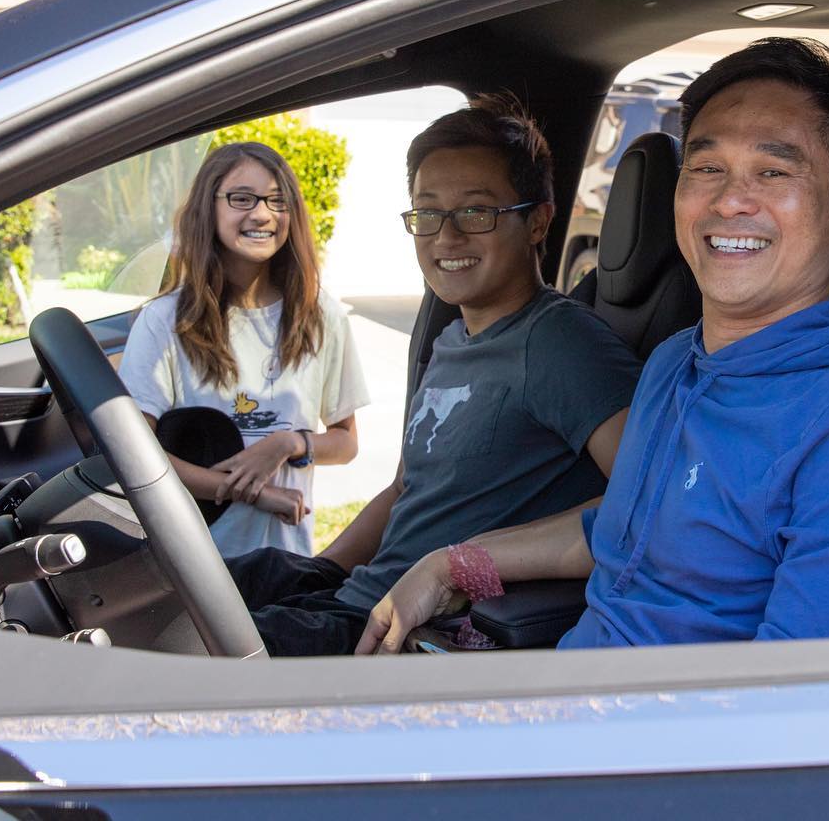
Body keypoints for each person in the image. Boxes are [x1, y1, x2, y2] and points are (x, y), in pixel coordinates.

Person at [357, 37, 829, 654]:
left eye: (774, 171)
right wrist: (451, 566)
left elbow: (801, 697)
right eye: (707, 168)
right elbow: (626, 526)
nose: (729, 200)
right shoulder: (678, 360)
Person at [225, 99, 643, 656]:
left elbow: (649, 506)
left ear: (538, 221)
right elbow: (406, 488)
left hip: (416, 634)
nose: (446, 237)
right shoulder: (453, 338)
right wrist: (321, 572)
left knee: (185, 651)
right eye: (428, 214)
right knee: (176, 585)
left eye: (476, 212)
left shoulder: (562, 344)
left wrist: (464, 567)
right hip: (359, 598)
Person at [119, 141, 369, 559]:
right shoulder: (164, 321)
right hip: (192, 565)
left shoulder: (320, 314)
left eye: (277, 200)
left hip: (285, 560)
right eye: (242, 198)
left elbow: (345, 443)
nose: (262, 214)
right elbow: (135, 455)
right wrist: (244, 490)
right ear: (208, 207)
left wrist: (288, 444)